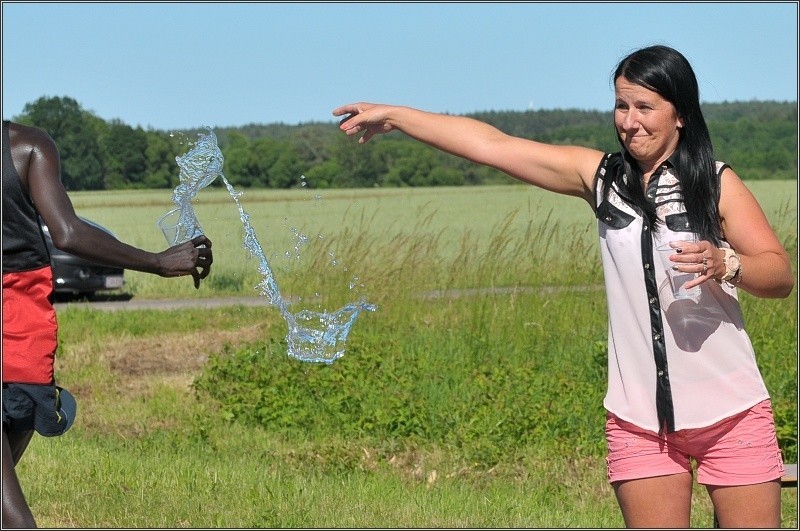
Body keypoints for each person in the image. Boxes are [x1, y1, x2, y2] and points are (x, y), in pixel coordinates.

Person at [332, 44, 795, 528]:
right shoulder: (602, 180)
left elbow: (779, 274)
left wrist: (728, 263)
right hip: (638, 422)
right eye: (621, 105)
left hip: (732, 413)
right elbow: (493, 145)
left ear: (680, 114)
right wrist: (397, 116)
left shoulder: (717, 184)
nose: (629, 121)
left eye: (645, 107)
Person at [2, 119, 214, 528]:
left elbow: (66, 235)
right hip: (23, 329)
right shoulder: (27, 146)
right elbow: (67, 233)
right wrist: (157, 261)